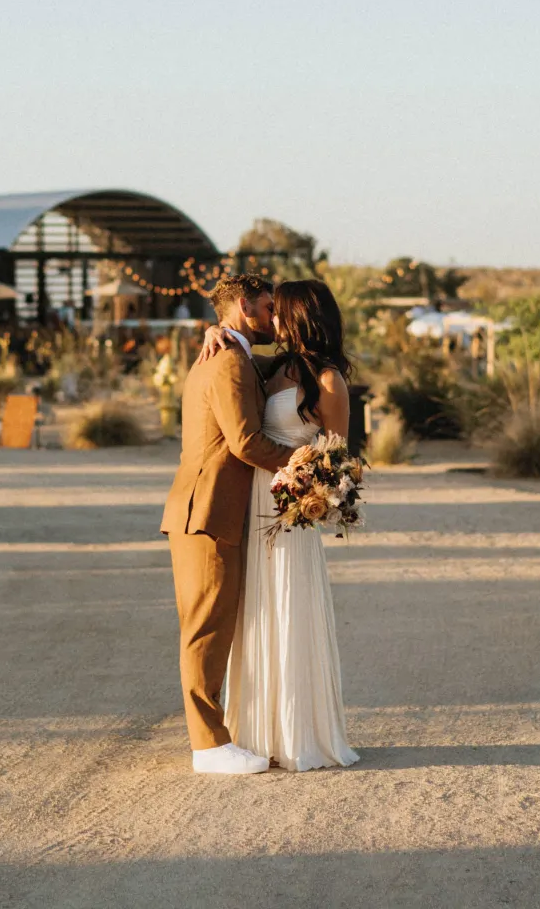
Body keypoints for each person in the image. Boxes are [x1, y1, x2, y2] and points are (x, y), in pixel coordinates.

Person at [198, 278, 359, 771]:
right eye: (268, 311)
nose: (272, 319)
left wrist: (307, 485)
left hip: (287, 515)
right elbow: (236, 364)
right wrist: (213, 329)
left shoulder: (329, 381)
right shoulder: (275, 366)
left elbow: (336, 461)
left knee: (287, 610)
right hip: (250, 504)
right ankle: (254, 733)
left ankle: (296, 733)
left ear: (299, 315)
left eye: (279, 311)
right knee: (253, 615)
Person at [160, 275, 297, 775]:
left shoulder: (236, 356)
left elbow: (277, 368)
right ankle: (209, 746)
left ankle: (217, 737)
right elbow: (245, 443)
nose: (272, 318)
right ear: (244, 307)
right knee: (206, 630)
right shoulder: (228, 361)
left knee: (214, 626)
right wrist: (302, 461)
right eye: (266, 308)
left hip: (212, 511)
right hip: (207, 511)